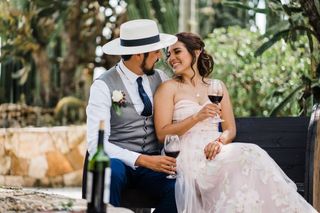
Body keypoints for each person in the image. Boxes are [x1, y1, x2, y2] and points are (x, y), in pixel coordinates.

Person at [154, 32, 317, 213]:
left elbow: (229, 129)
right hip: (187, 154)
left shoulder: (216, 86)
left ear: (197, 52)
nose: (171, 58)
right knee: (246, 157)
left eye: (177, 52)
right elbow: (163, 133)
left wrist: (219, 142)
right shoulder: (168, 88)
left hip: (215, 149)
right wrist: (196, 117)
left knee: (252, 153)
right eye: (169, 54)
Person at [86, 19, 178, 213]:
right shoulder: (103, 86)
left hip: (153, 165)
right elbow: (96, 144)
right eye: (155, 52)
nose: (160, 57)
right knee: (111, 173)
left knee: (178, 187)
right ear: (138, 54)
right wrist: (142, 160)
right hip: (120, 162)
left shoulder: (161, 78)